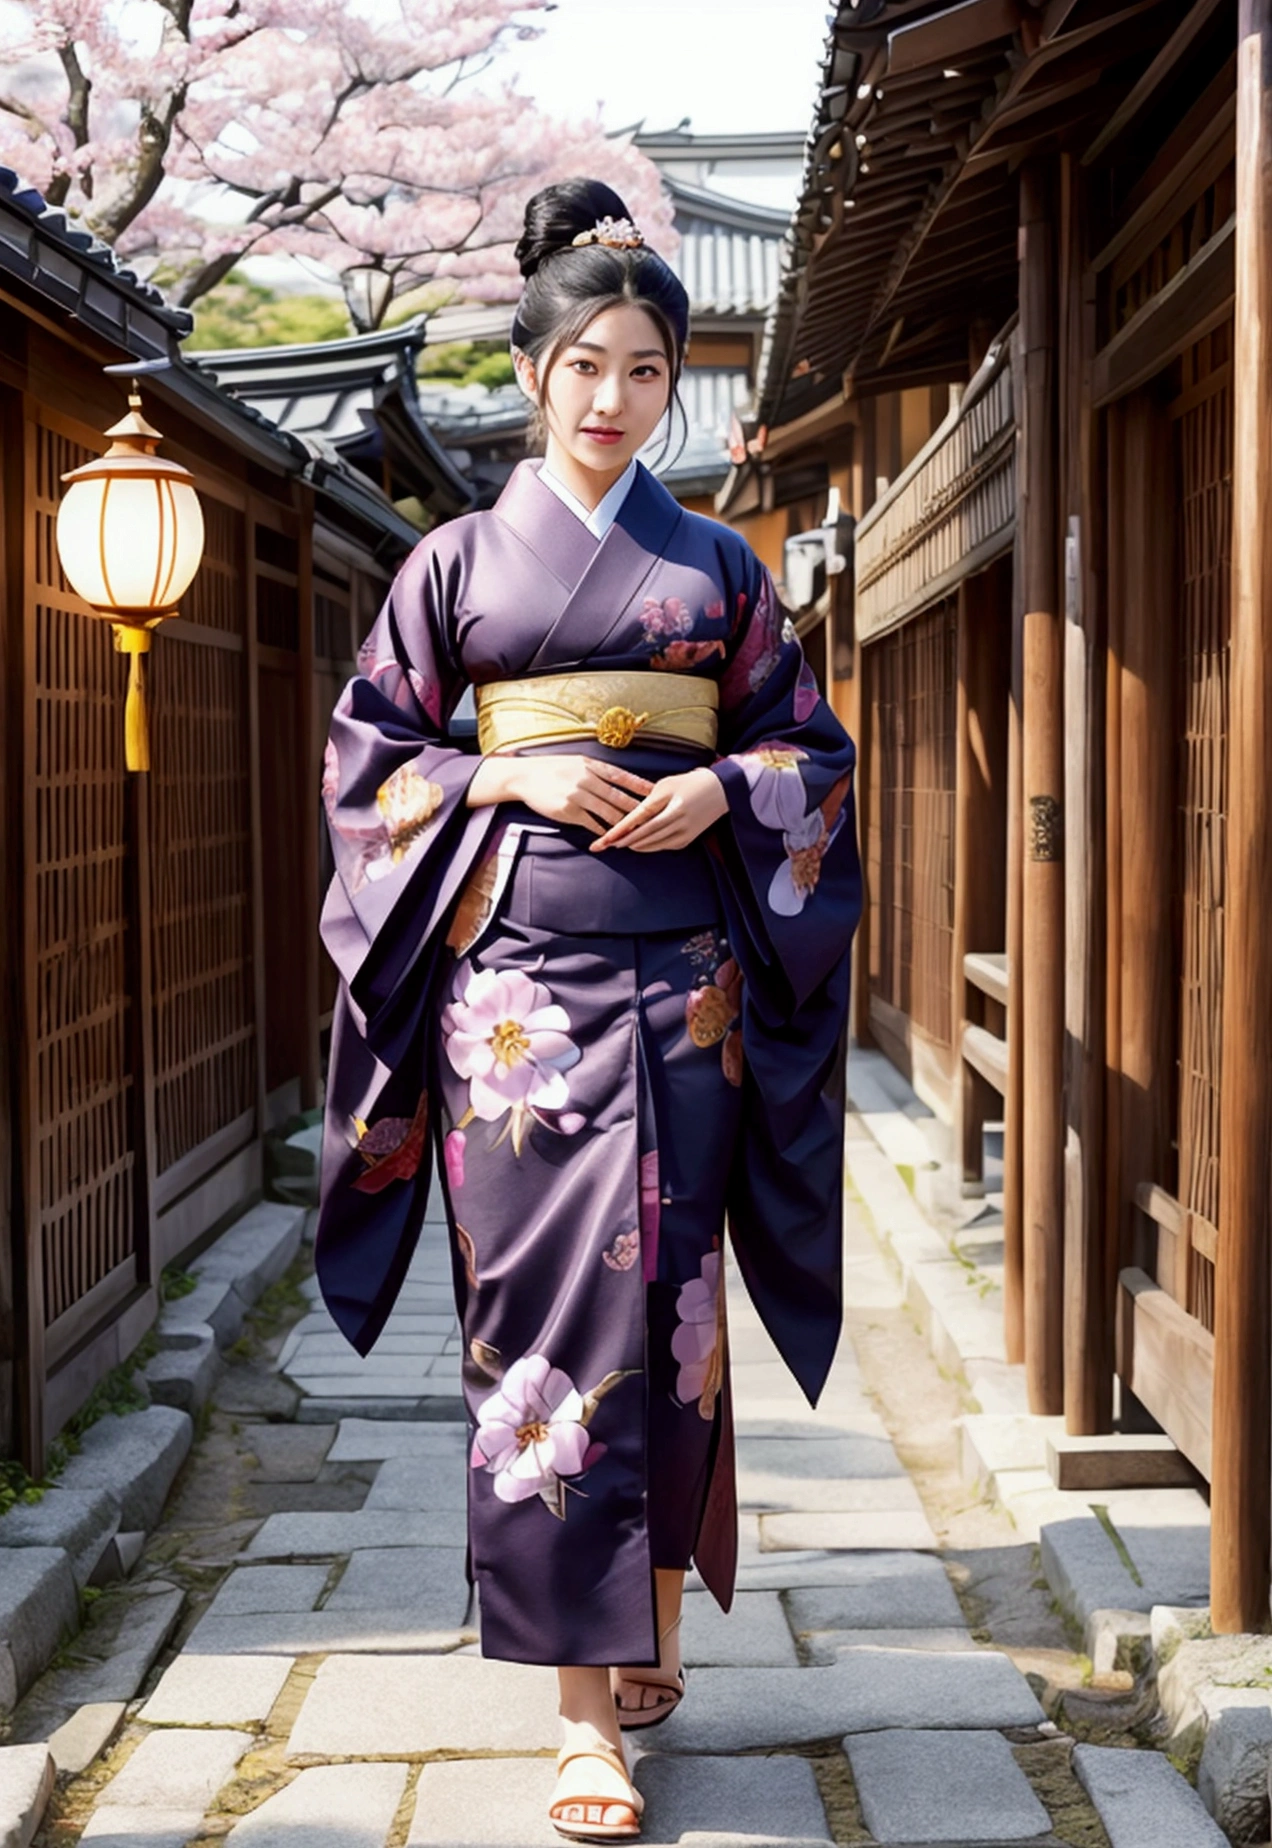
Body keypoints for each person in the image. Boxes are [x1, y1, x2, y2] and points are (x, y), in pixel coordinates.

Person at [316, 176, 862, 1842]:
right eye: (585, 366)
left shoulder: (721, 570)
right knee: (542, 1337)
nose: (613, 396)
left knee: (677, 1317)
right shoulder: (456, 565)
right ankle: (581, 1716)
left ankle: (653, 1636)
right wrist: (505, 772)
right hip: (518, 1017)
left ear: (669, 383)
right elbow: (367, 770)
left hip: (687, 997)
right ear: (536, 373)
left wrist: (730, 792)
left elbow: (811, 758)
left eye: (644, 368)